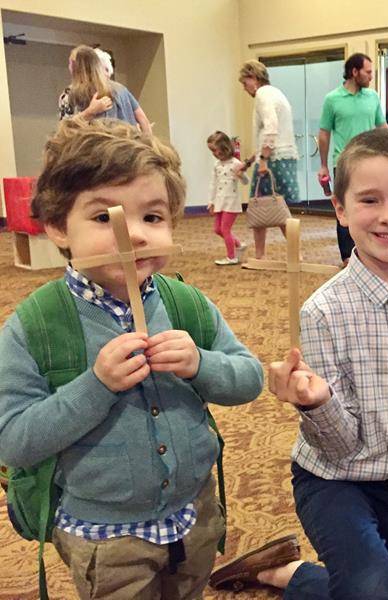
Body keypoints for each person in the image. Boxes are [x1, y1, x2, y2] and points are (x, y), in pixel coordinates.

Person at [210, 128, 388, 598]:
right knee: (370, 590)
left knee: (386, 592)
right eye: (369, 201)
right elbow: (338, 446)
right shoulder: (322, 311)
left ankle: (285, 574)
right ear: (340, 209)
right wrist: (316, 403)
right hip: (333, 483)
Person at [0, 118, 268, 599]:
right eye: (105, 218)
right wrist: (95, 385)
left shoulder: (186, 303)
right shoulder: (34, 326)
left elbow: (249, 378)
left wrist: (200, 363)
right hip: (105, 537)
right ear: (60, 227)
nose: (136, 235)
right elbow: (13, 442)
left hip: (195, 515)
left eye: (153, 217)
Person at [317, 52, 388, 265]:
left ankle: (370, 250)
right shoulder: (332, 99)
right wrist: (323, 166)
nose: (371, 77)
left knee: (371, 207)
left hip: (371, 162)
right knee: (346, 208)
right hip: (344, 163)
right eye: (367, 72)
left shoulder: (373, 97)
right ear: (354, 72)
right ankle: (348, 257)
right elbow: (324, 133)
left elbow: (382, 128)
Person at [236, 60, 301, 266]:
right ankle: (292, 254)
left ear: (253, 78)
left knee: (261, 206)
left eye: (244, 82)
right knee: (278, 207)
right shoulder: (276, 93)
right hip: (282, 155)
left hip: (272, 158)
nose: (244, 87)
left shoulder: (263, 95)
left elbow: (270, 128)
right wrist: (249, 161)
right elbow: (268, 133)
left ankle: (262, 255)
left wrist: (263, 160)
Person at [58, 45, 151, 134]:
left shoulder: (70, 94)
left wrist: (89, 112)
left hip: (100, 148)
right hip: (129, 147)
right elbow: (143, 120)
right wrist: (148, 146)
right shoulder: (120, 89)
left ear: (74, 67)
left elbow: (64, 130)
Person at [207, 131, 248, 265]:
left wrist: (240, 174)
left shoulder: (235, 163)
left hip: (231, 202)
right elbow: (213, 184)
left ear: (224, 147)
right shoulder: (216, 164)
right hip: (220, 201)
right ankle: (238, 244)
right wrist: (211, 201)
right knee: (217, 229)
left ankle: (232, 257)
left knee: (225, 229)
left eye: (214, 150)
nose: (213, 153)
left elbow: (246, 181)